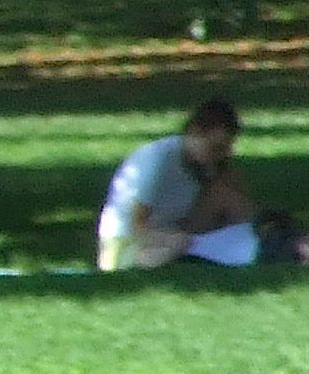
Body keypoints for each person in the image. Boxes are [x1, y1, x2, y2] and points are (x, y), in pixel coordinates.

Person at [98, 98, 258, 270]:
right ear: (195, 132)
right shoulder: (158, 160)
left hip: (177, 229)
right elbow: (136, 226)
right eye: (216, 148)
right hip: (128, 241)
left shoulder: (208, 164)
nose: (221, 155)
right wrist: (170, 239)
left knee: (225, 195)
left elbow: (237, 198)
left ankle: (264, 243)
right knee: (176, 245)